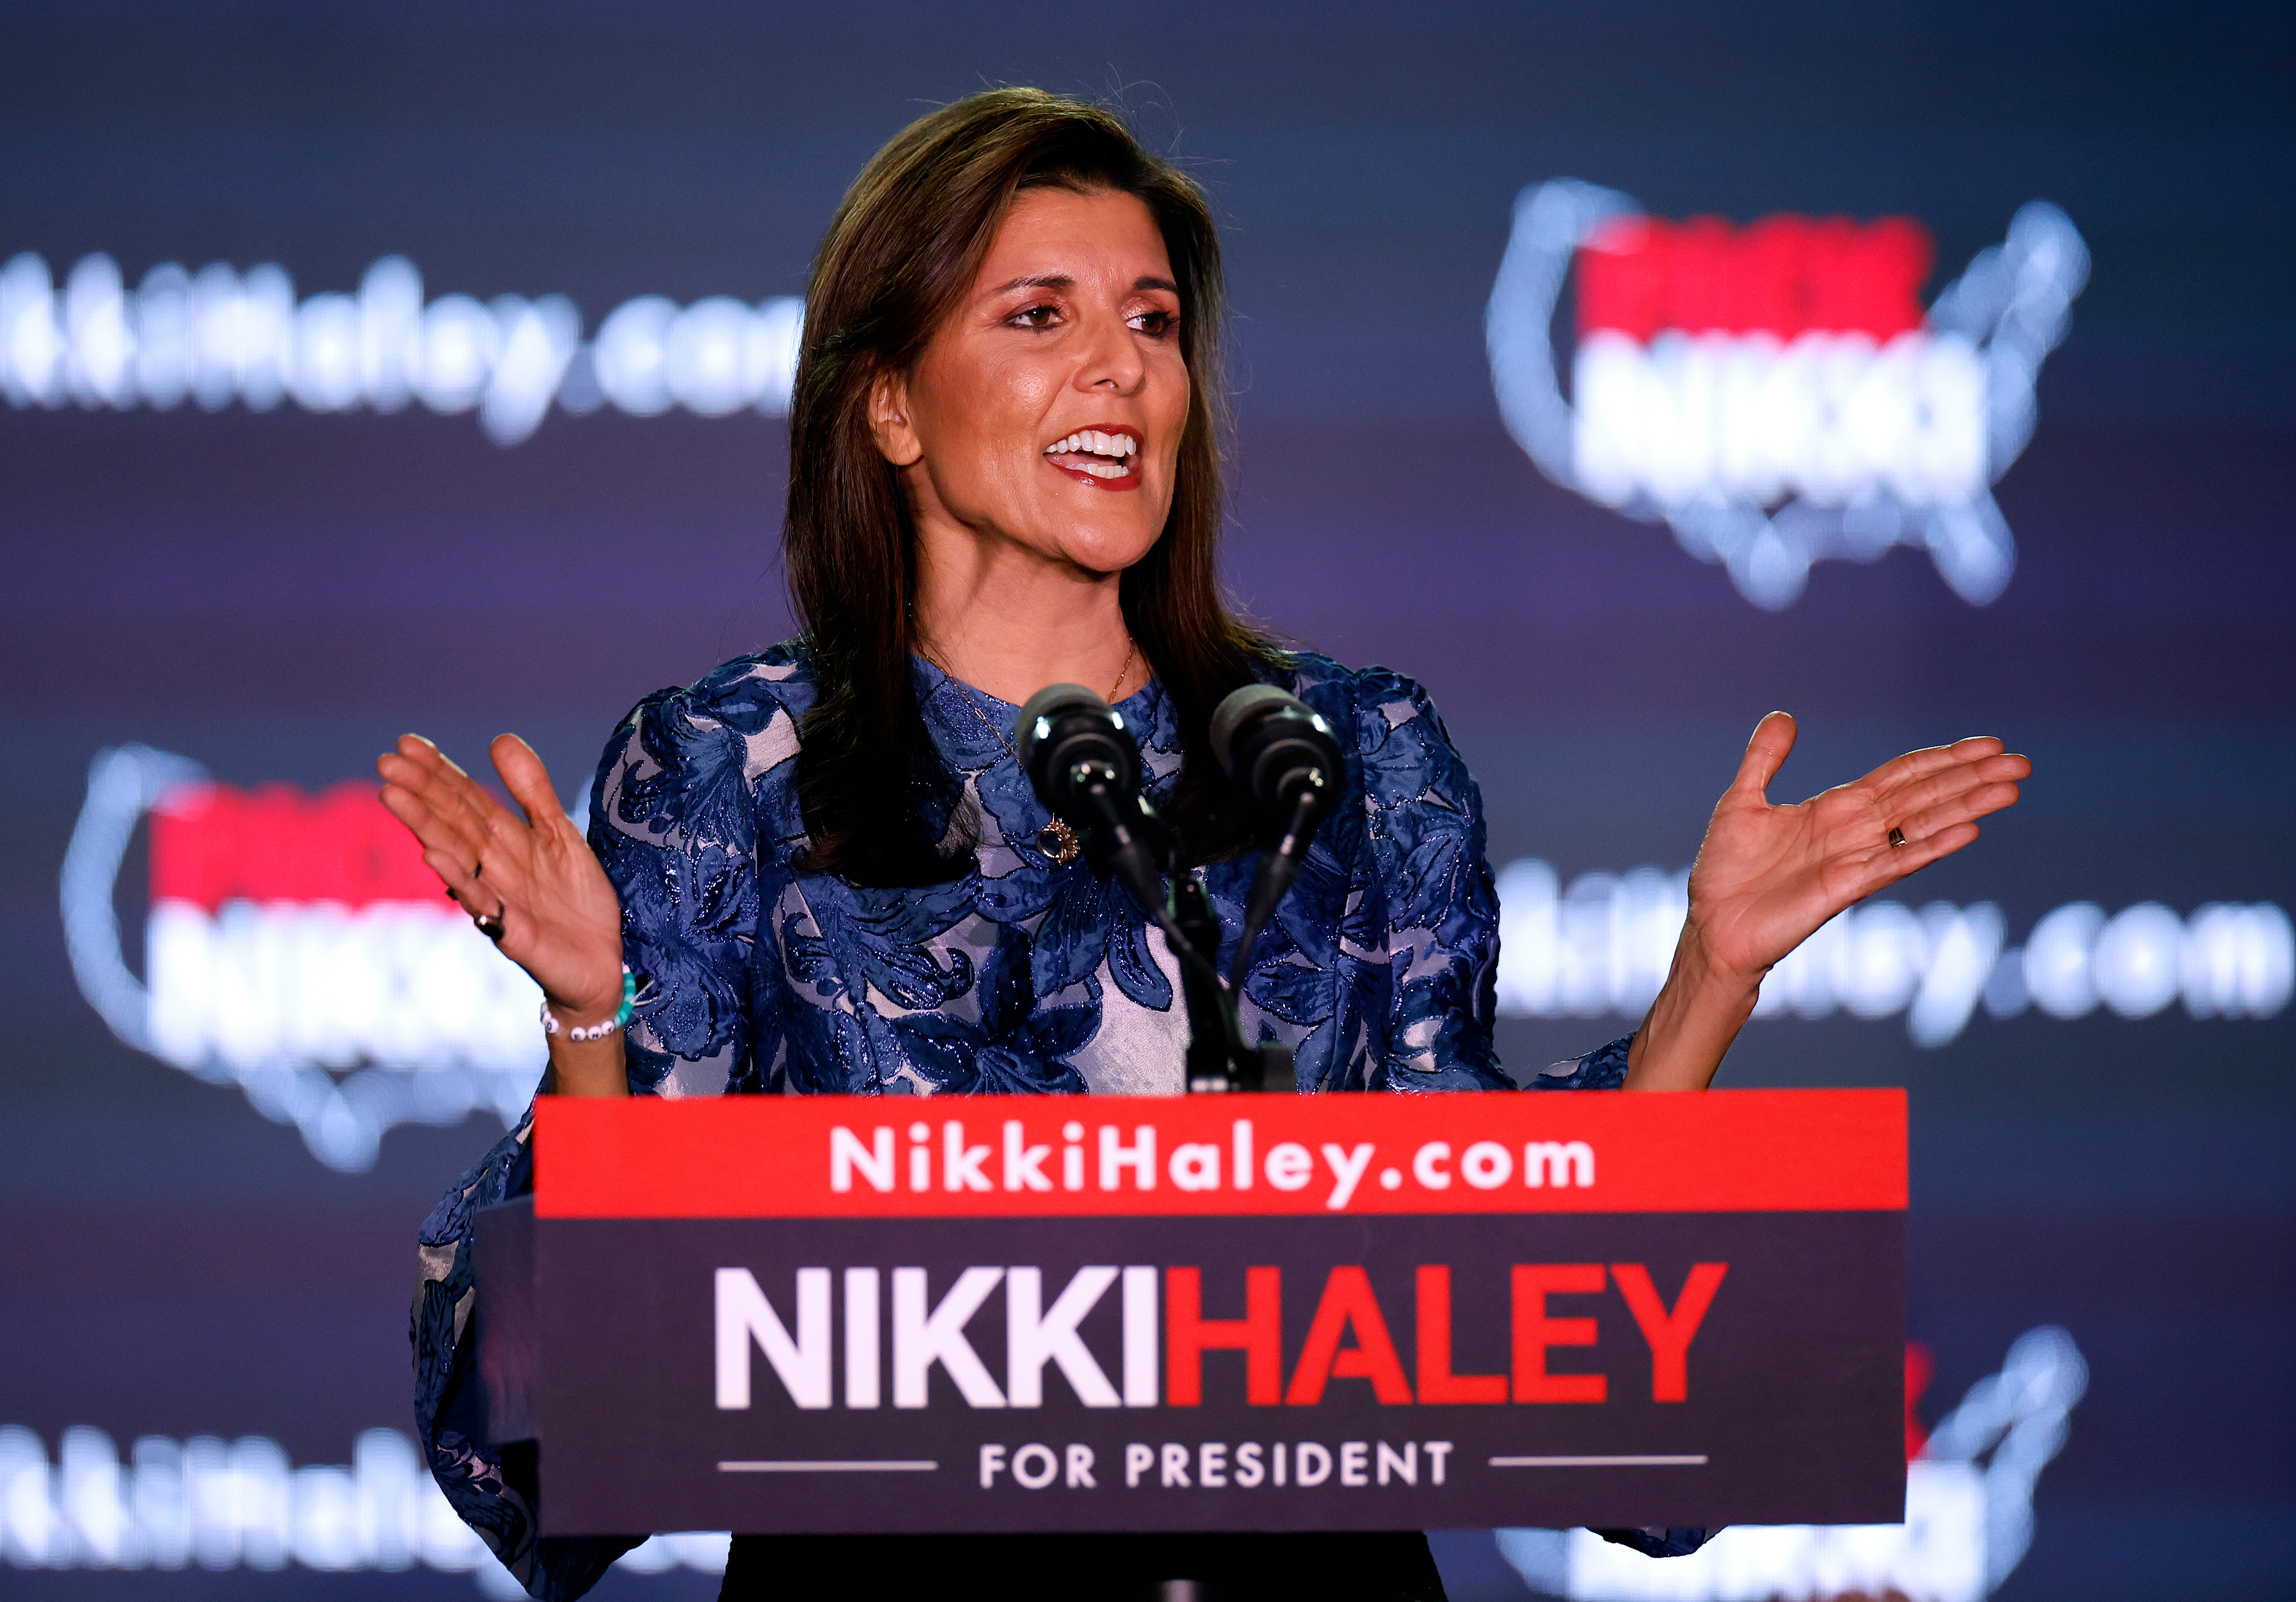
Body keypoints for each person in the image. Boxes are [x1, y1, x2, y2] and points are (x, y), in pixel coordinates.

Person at [382, 90, 2030, 1602]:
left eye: (1154, 324)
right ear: (887, 404)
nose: (1122, 369)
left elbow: (1556, 1369)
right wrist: (593, 1019)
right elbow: (571, 1457)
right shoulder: (731, 771)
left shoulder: (1350, 757)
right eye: (1041, 317)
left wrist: (1705, 986)